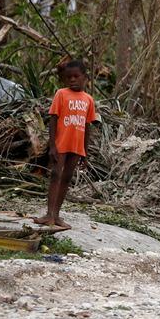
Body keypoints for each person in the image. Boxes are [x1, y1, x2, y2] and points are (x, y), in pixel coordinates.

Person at [32, 60, 98, 230]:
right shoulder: (61, 94)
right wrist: (52, 145)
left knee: (67, 178)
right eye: (69, 77)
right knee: (55, 174)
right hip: (61, 143)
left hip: (77, 146)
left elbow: (87, 125)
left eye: (77, 76)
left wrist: (85, 151)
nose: (73, 80)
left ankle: (57, 215)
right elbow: (53, 119)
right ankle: (49, 214)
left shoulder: (89, 100)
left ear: (85, 77)